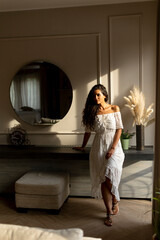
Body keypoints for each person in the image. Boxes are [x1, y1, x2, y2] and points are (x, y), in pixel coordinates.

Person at [73, 84, 125, 227]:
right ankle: (108, 213)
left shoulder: (115, 108)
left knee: (110, 176)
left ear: (105, 95)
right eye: (94, 95)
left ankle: (115, 199)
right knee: (103, 179)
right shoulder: (92, 112)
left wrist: (113, 148)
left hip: (114, 147)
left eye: (98, 95)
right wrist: (83, 146)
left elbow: (119, 129)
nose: (96, 98)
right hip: (98, 148)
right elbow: (88, 131)